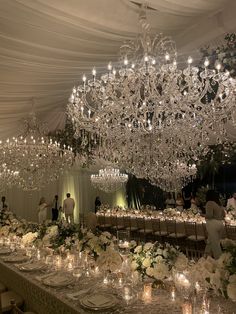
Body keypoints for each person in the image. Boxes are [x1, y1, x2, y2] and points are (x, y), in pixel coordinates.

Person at [204, 190, 225, 259]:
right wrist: (218, 217)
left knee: (215, 245)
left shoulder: (209, 203)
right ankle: (206, 257)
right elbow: (224, 215)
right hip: (220, 224)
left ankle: (219, 261)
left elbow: (209, 215)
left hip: (212, 224)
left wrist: (203, 215)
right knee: (211, 241)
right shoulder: (219, 203)